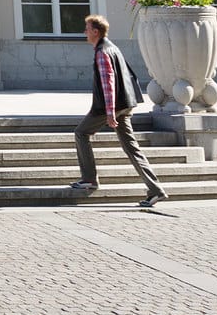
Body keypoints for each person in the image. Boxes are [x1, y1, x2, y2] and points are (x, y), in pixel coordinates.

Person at [69, 15, 167, 209]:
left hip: (110, 106)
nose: (84, 33)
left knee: (81, 133)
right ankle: (156, 190)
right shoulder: (113, 47)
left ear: (95, 32)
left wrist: (110, 111)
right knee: (132, 148)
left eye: (87, 29)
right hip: (125, 104)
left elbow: (109, 83)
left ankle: (89, 178)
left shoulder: (102, 52)